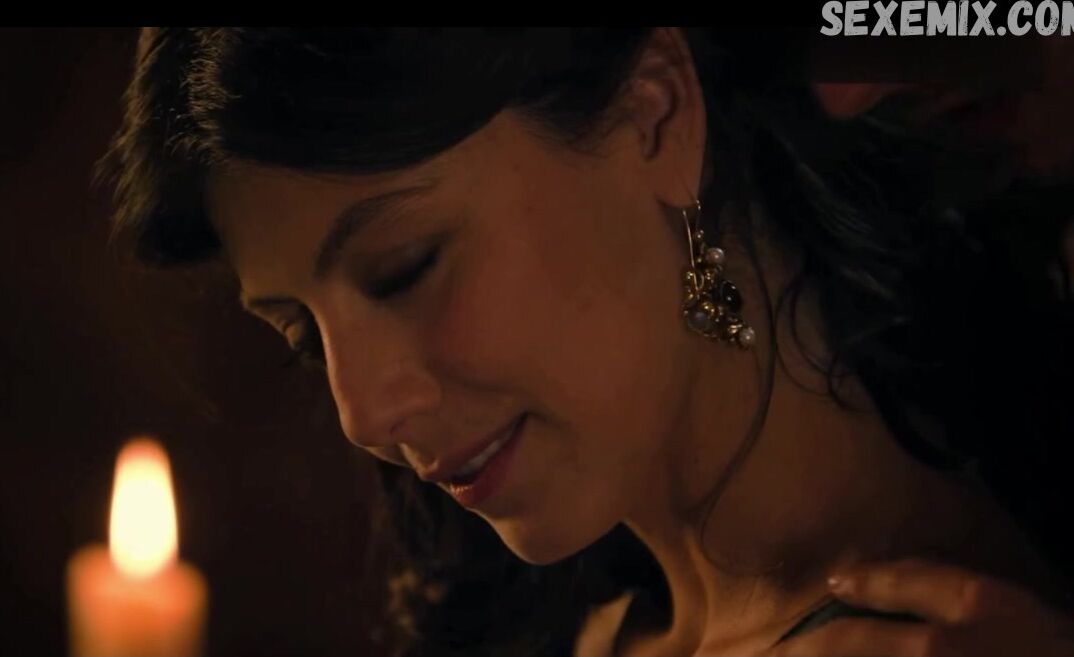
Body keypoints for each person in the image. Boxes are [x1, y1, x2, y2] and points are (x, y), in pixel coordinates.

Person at [99, 28, 1074, 656]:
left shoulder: (942, 626)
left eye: (404, 269)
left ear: (654, 114)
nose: (363, 413)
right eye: (302, 337)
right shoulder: (577, 622)